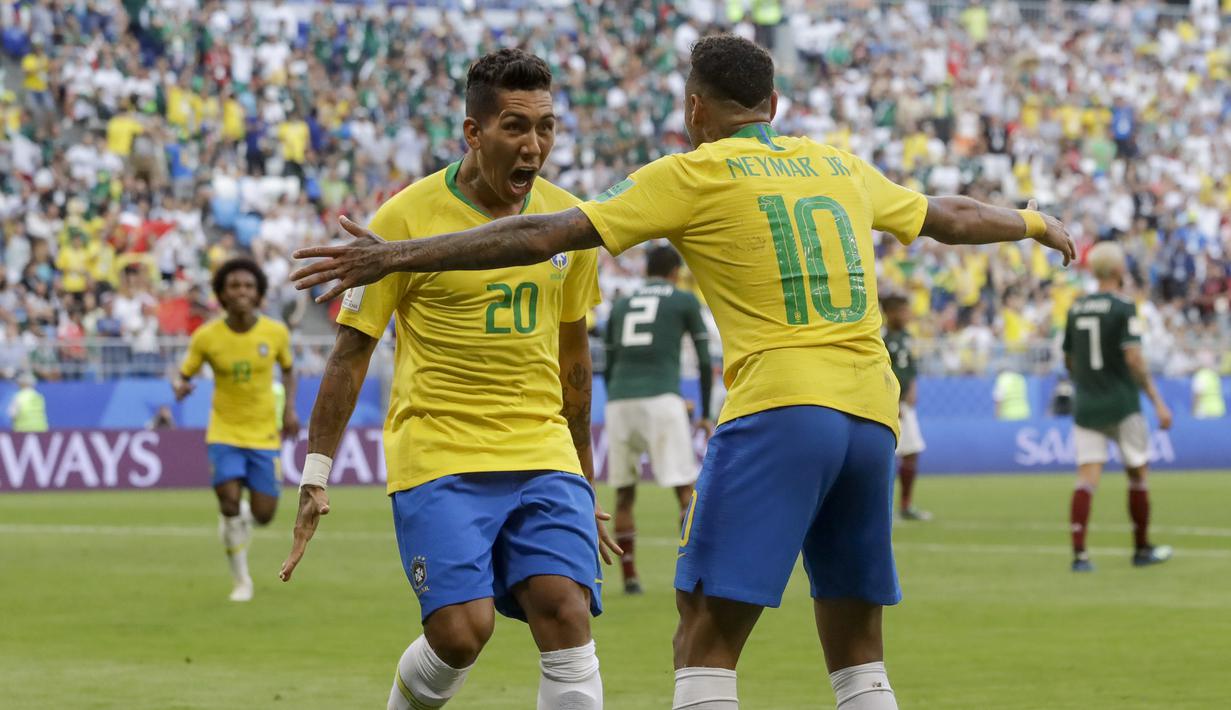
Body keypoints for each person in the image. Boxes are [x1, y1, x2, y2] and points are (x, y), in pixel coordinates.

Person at [291, 35, 1075, 710]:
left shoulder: (691, 173)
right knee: (858, 651)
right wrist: (1035, 222)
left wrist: (393, 256)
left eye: (545, 127)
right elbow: (949, 215)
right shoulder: (836, 163)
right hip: (872, 418)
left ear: (695, 109)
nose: (534, 144)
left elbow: (540, 239)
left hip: (778, 408)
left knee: (702, 632)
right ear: (773, 103)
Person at [276, 50, 618, 710]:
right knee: (461, 633)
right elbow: (350, 354)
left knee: (565, 614)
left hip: (542, 451)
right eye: (515, 127)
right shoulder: (402, 220)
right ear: (473, 132)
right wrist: (316, 471)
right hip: (439, 452)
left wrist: (583, 471)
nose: (534, 145)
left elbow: (573, 353)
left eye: (545, 127)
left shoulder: (567, 221)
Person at [173, 257, 298, 602]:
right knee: (228, 502)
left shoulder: (275, 332)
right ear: (222, 294)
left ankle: (240, 518)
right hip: (224, 432)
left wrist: (289, 409)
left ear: (258, 293)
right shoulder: (206, 337)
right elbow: (183, 375)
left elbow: (289, 370)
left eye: (248, 286)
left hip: (263, 434)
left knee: (263, 515)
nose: (242, 291)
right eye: (234, 286)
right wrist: (180, 387)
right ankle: (242, 580)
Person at [604, 244, 713, 594]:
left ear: (647, 269)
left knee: (624, 493)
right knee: (684, 489)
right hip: (662, 397)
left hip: (619, 400)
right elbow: (703, 357)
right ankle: (695, 574)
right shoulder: (683, 300)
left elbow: (608, 361)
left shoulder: (621, 304)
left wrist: (615, 396)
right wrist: (705, 412)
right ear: (675, 272)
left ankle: (630, 577)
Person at [1062, 241, 1173, 573]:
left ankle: (1080, 555)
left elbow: (1069, 359)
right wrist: (1156, 400)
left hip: (1087, 404)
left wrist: (1087, 382)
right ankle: (1141, 549)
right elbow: (1134, 358)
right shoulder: (1125, 307)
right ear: (1116, 270)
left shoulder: (1076, 308)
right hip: (1123, 402)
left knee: (1086, 479)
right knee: (1137, 474)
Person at [881, 294, 929, 521]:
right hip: (888, 404)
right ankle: (882, 508)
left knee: (911, 453)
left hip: (905, 405)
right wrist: (891, 400)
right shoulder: (881, 338)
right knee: (884, 456)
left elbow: (910, 367)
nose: (907, 315)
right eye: (902, 311)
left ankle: (906, 505)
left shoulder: (907, 338)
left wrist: (913, 388)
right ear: (890, 313)